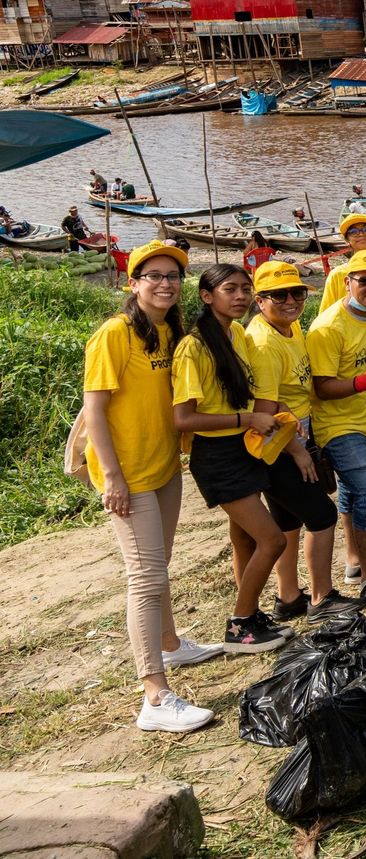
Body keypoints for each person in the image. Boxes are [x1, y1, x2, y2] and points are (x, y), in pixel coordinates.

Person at [82, 241, 219, 732]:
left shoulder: (168, 331)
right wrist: (112, 477)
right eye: (154, 275)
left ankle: (171, 644)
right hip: (129, 473)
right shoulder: (114, 334)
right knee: (144, 576)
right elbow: (95, 410)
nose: (165, 284)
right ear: (133, 282)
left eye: (173, 276)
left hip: (163, 465)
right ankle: (155, 697)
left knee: (159, 565)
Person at [170, 263, 289, 654]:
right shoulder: (193, 347)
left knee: (244, 537)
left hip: (243, 447)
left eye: (245, 289)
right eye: (229, 289)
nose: (240, 296)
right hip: (217, 455)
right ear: (207, 296)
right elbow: (183, 418)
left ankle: (250, 613)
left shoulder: (236, 333)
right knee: (272, 540)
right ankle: (239, 625)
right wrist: (247, 419)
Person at [244, 261, 352, 624]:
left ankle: (288, 596)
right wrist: (297, 451)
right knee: (322, 515)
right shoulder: (264, 343)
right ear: (260, 301)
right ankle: (322, 598)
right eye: (279, 295)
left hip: (295, 432)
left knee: (288, 519)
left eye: (297, 293)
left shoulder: (288, 329)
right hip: (278, 443)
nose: (291, 301)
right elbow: (264, 409)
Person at [306, 249, 366, 600]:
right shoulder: (327, 328)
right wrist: (363, 382)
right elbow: (322, 387)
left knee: (351, 491)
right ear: (347, 283)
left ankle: (353, 561)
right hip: (337, 427)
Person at [322, 213, 366, 298]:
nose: (361, 234)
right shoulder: (338, 274)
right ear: (347, 240)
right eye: (353, 232)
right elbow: (329, 306)